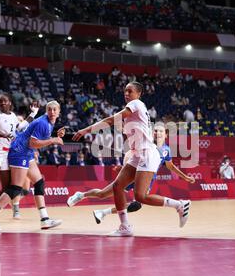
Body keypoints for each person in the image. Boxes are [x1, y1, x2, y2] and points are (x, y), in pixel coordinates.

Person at [72, 82, 191, 236]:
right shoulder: (133, 111)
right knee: (117, 187)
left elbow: (109, 120)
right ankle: (125, 226)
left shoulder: (136, 104)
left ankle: (180, 205)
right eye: (125, 91)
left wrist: (86, 130)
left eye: (130, 91)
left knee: (140, 197)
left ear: (138, 94)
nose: (126, 94)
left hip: (147, 153)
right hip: (137, 154)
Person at [67, 123, 196, 224]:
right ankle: (81, 195)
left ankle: (103, 212)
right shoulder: (147, 144)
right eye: (155, 130)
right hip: (132, 174)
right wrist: (124, 168)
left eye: (161, 131)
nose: (158, 133)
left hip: (146, 178)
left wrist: (185, 177)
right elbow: (130, 155)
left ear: (166, 134)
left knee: (136, 205)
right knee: (102, 194)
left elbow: (170, 166)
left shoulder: (166, 150)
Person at [0, 101, 65, 232]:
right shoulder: (43, 122)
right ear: (46, 111)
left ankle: (45, 220)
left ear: (59, 111)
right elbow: (33, 143)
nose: (52, 112)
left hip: (27, 152)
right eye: (49, 109)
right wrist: (53, 140)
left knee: (39, 183)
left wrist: (55, 136)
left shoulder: (50, 123)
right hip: (20, 152)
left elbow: (34, 141)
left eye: (55, 110)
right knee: (15, 188)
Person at [0, 94, 38, 221]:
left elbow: (20, 127)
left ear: (10, 103)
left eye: (4, 101)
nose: (1, 104)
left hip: (6, 154)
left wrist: (33, 113)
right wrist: (2, 134)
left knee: (8, 188)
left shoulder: (12, 116)